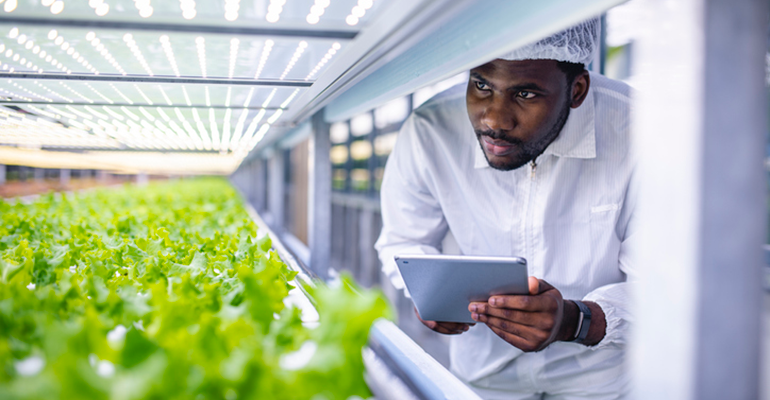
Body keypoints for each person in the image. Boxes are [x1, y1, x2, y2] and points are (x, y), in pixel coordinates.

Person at [374, 19, 635, 400]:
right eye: (481, 85)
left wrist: (576, 320)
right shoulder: (431, 130)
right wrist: (427, 292)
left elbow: (667, 285)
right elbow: (403, 240)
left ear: (577, 90)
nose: (495, 119)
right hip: (483, 378)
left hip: (602, 381)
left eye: (526, 94)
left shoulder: (641, 131)